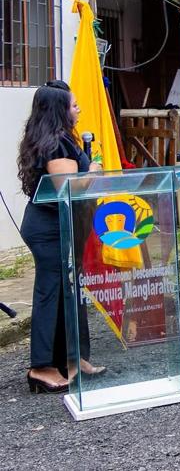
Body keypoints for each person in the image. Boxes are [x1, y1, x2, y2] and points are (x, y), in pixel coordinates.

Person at [16, 81, 104, 394]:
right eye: (74, 105)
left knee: (70, 292)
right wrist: (92, 171)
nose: (78, 109)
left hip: (63, 224)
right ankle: (41, 367)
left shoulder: (60, 139)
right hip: (49, 228)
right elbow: (70, 187)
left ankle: (74, 359)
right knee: (50, 292)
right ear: (59, 110)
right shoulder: (55, 143)